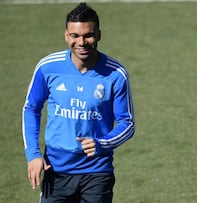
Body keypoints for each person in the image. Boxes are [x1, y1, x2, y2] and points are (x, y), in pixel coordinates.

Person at [22, 2, 135, 202]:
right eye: (75, 36)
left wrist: (102, 143)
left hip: (97, 171)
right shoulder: (48, 67)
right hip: (55, 170)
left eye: (88, 35)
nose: (81, 42)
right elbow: (31, 108)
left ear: (99, 35)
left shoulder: (116, 74)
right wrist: (33, 154)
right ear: (66, 35)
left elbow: (127, 123)